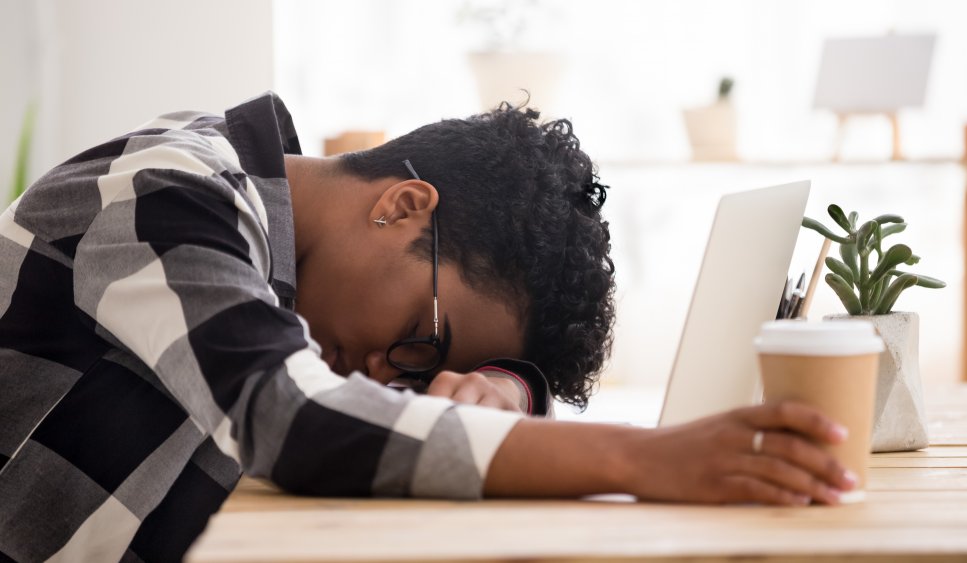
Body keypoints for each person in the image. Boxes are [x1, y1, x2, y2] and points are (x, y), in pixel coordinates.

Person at [0, 92, 856, 562]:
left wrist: (511, 383)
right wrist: (643, 457)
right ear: (404, 206)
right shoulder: (170, 191)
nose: (384, 373)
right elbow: (284, 413)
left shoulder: (277, 258)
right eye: (421, 340)